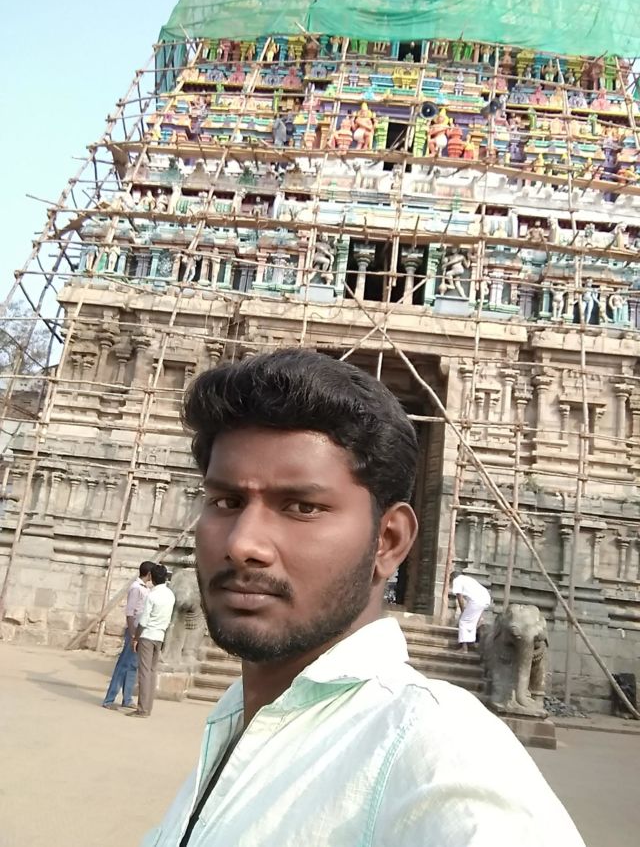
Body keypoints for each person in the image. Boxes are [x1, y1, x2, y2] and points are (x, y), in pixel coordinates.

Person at [140, 350, 584, 846]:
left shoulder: (439, 751)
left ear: (388, 541)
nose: (243, 543)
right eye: (227, 501)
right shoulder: (237, 714)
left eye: (302, 507)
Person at [102, 560, 153, 711]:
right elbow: (130, 612)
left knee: (132, 665)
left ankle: (127, 698)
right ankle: (109, 699)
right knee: (123, 665)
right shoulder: (136, 588)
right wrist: (132, 634)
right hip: (134, 630)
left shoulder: (145, 589)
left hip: (139, 630)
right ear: (149, 574)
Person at [129, 563, 176, 718]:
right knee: (152, 672)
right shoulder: (170, 595)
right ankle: (148, 707)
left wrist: (135, 638)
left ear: (152, 578)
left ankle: (142, 709)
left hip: (148, 635)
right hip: (160, 636)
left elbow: (143, 621)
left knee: (144, 673)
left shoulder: (152, 595)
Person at [451, 570, 492, 653]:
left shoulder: (457, 580)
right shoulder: (467, 579)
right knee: (472, 622)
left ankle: (464, 648)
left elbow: (459, 596)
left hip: (476, 601)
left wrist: (462, 610)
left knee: (463, 621)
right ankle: (471, 642)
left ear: (452, 577)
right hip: (486, 598)